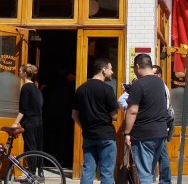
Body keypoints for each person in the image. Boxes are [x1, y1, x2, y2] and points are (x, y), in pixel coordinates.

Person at [72, 59, 119, 184]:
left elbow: (74, 115)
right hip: (106, 135)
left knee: (88, 171)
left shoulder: (81, 89)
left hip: (89, 135)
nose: (112, 72)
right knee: (107, 173)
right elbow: (114, 116)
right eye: (110, 69)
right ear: (104, 70)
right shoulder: (107, 89)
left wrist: (84, 126)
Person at [123, 53, 168, 184]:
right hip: (160, 132)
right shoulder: (160, 82)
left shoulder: (139, 84)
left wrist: (127, 132)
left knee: (143, 174)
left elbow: (132, 111)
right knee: (150, 171)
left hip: (144, 134)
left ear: (137, 66)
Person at [13, 64, 44, 175]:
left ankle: (32, 174)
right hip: (39, 121)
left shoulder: (25, 88)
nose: (18, 72)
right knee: (38, 148)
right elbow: (41, 103)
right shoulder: (36, 88)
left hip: (29, 122)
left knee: (31, 148)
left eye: (20, 71)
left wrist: (15, 123)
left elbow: (23, 109)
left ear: (25, 73)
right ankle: (41, 172)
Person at [153, 65, 172, 184]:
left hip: (160, 123)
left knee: (162, 154)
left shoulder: (161, 87)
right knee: (161, 153)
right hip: (161, 124)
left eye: (153, 74)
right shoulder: (161, 86)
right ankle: (165, 179)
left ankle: (165, 180)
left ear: (159, 75)